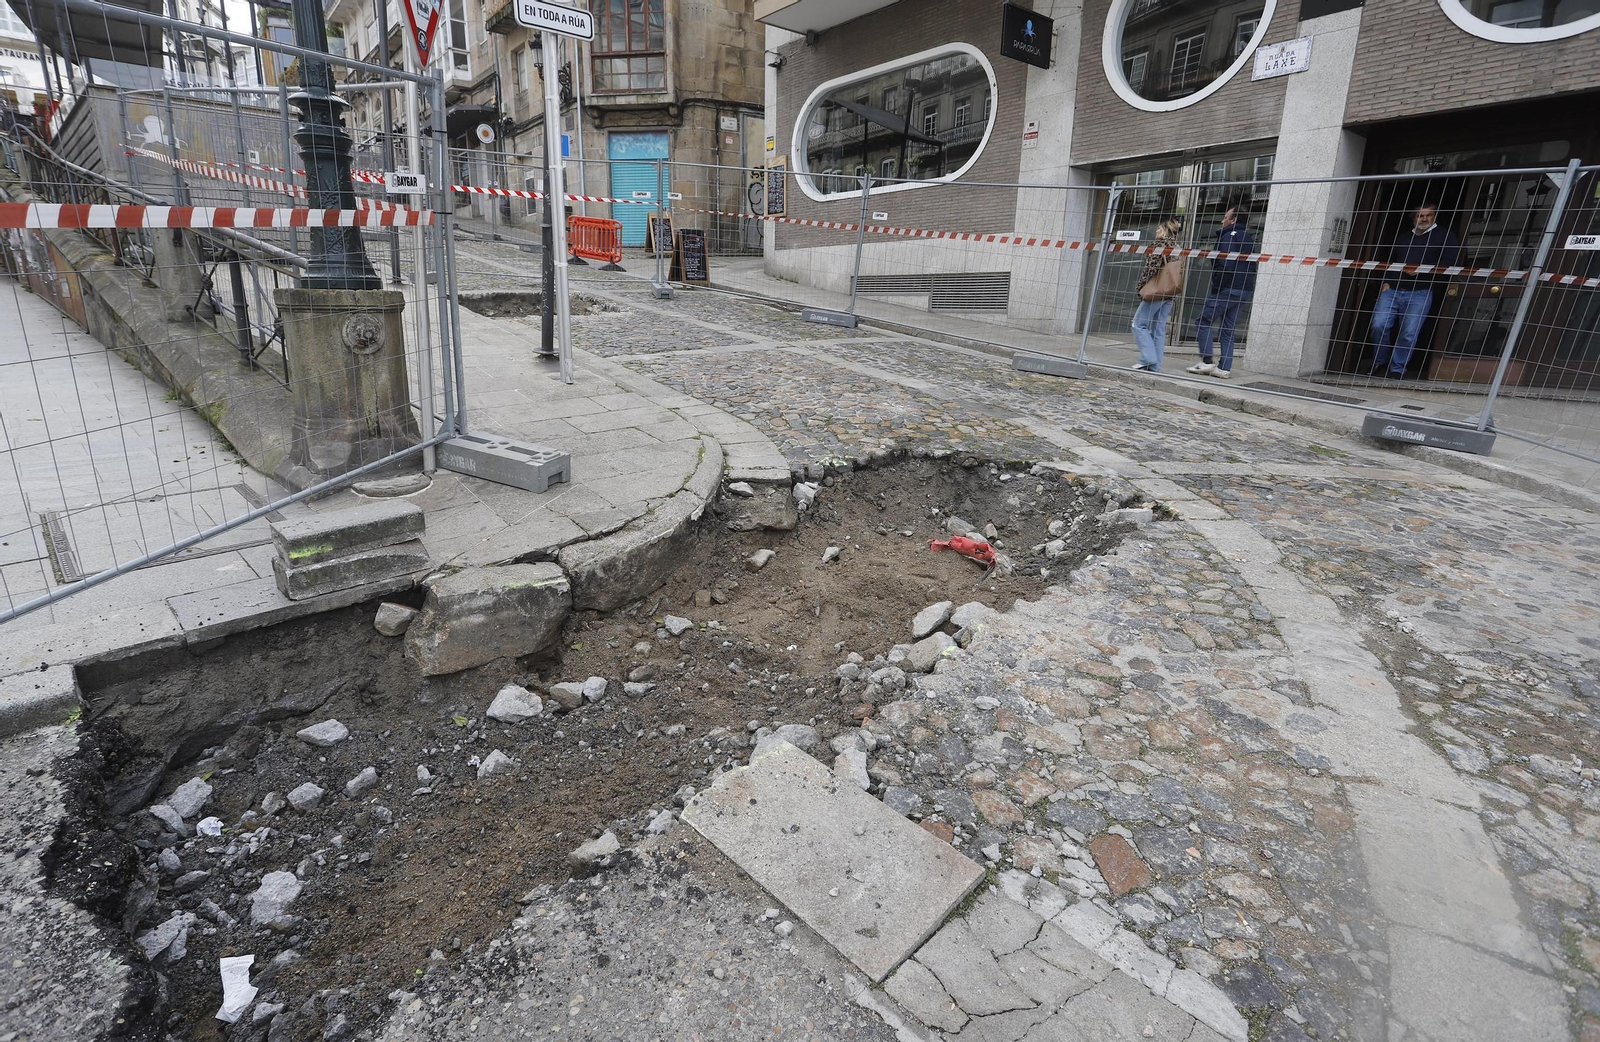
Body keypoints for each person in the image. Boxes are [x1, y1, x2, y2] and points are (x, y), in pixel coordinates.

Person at [1369, 202, 1461, 378]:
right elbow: (1390, 260)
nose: (1424, 218)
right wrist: (1386, 281)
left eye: (1428, 215)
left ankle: (1397, 369)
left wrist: (1422, 269)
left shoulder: (1444, 236)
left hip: (1421, 292)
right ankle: (1380, 362)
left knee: (1409, 333)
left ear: (1434, 217)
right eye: (1420, 215)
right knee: (1378, 325)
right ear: (1414, 218)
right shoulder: (1403, 237)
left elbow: (1450, 262)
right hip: (1392, 289)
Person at [1187, 204, 1257, 380]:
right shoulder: (1248, 237)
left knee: (1203, 320)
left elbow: (1226, 264)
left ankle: (1207, 361)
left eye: (1225, 217)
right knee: (1228, 328)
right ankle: (1224, 368)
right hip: (1244, 289)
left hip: (1227, 288)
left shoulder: (1228, 236)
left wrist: (1218, 285)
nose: (1222, 220)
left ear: (1233, 220)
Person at [1131, 215, 1184, 372]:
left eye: (1159, 228)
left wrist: (1141, 287)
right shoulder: (1177, 247)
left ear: (1166, 231)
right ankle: (1155, 366)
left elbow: (1151, 269)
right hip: (1169, 292)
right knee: (1158, 330)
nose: (1156, 230)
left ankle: (1147, 357)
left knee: (1138, 324)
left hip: (1156, 291)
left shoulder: (1159, 245)